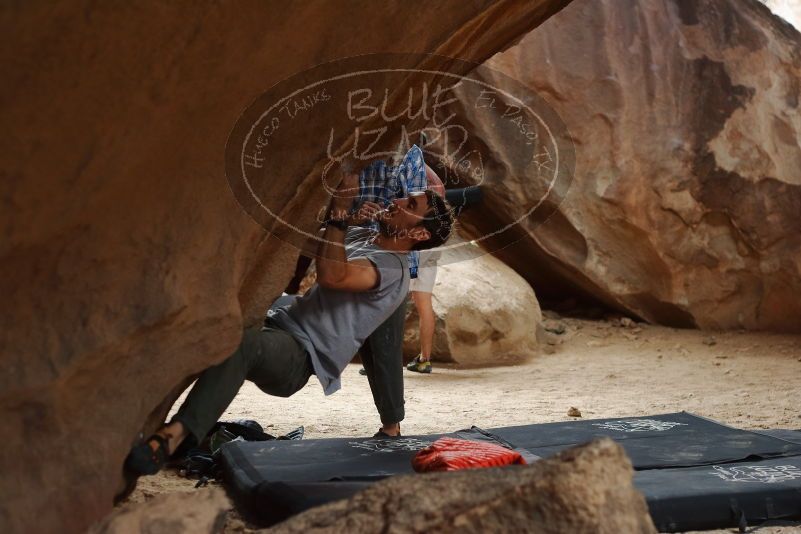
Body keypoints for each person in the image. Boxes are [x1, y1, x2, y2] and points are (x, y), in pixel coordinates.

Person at [124, 172, 453, 477]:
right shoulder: (366, 238)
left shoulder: (394, 272)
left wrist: (339, 212)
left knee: (243, 344)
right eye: (403, 197)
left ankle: (174, 437)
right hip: (282, 319)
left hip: (299, 356)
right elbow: (320, 242)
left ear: (419, 233)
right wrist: (345, 220)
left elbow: (333, 275)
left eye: (410, 205)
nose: (396, 201)